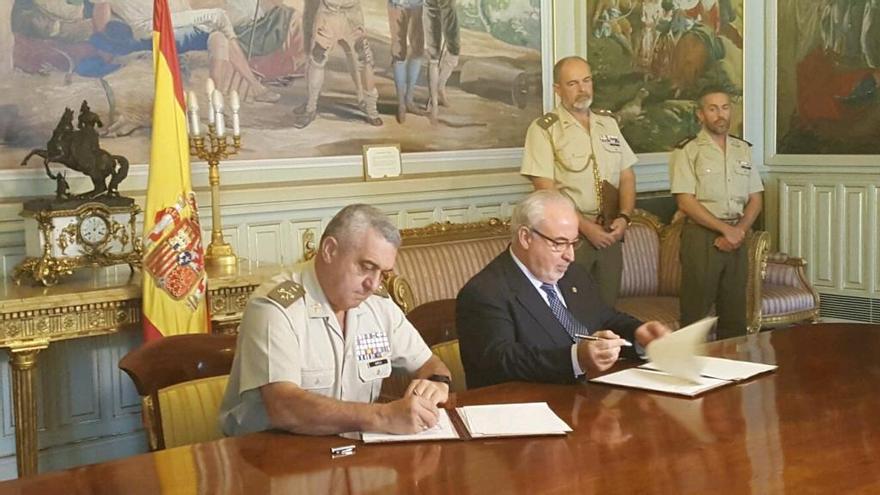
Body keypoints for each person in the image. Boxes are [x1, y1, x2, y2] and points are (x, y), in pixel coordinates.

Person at [219, 204, 452, 436]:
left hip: (347, 451)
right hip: (267, 455)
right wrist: (382, 416)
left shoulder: (378, 306)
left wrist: (437, 384)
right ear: (330, 250)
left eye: (383, 273)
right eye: (366, 267)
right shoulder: (275, 307)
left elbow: (432, 365)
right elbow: (284, 406)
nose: (373, 284)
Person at [456, 190, 669, 389]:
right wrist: (576, 359)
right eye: (559, 243)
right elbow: (501, 361)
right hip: (532, 409)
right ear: (525, 237)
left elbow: (603, 317)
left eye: (573, 244)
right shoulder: (485, 292)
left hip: (591, 398)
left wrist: (638, 333)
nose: (570, 256)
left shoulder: (573, 274)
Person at [521, 56, 637, 307]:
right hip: (567, 239)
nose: (582, 89)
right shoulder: (544, 130)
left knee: (606, 310)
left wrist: (624, 218)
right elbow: (545, 190)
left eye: (586, 81)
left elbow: (626, 175)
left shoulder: (608, 124)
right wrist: (585, 227)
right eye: (572, 83)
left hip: (609, 233)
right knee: (568, 310)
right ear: (557, 89)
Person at [669, 87, 763, 340]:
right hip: (701, 237)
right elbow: (685, 201)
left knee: (735, 316)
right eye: (712, 109)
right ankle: (691, 374)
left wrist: (739, 231)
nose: (720, 115)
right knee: (695, 315)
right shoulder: (688, 150)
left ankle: (733, 374)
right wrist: (725, 230)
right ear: (701, 115)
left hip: (737, 237)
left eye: (724, 108)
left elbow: (755, 198)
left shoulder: (742, 149)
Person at [90, 0, 281, 102]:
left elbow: (182, 6)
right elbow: (101, 21)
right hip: (149, 28)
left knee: (219, 38)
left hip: (176, 23)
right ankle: (256, 86)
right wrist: (106, 48)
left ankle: (216, 99)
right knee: (219, 16)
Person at [293, 0, 383, 128]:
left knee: (364, 59)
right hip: (328, 12)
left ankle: (371, 109)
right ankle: (310, 108)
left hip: (352, 14)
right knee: (317, 57)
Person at [388, 0, 425, 123]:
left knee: (418, 50)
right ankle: (401, 104)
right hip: (397, 4)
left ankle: (409, 100)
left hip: (418, 5)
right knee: (399, 52)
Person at [423, 0, 459, 124]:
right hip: (431, 5)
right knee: (433, 55)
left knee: (454, 50)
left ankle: (440, 87)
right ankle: (434, 103)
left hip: (447, 6)